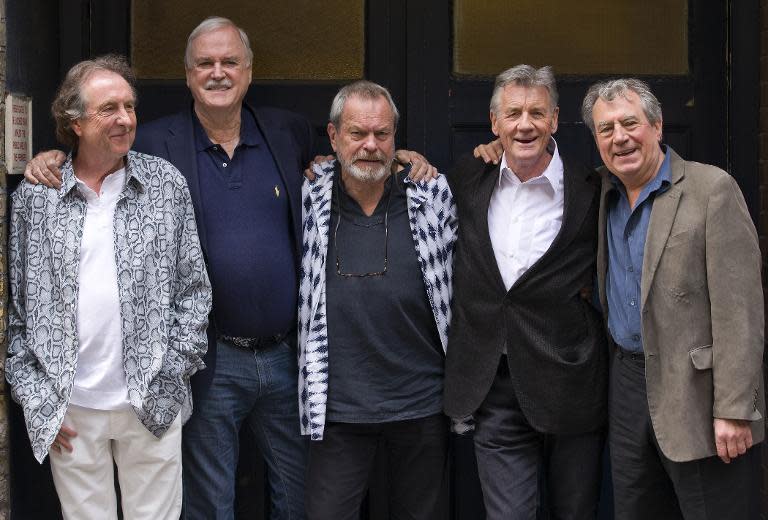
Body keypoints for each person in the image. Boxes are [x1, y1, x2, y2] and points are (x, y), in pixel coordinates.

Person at [24, 16, 435, 519]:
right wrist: (52, 157)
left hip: (288, 357)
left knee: (299, 493)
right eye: (205, 63)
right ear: (188, 74)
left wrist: (404, 159)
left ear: (248, 71)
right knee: (208, 501)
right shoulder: (151, 143)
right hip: (212, 360)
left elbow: (360, 149)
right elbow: (95, 153)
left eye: (229, 62)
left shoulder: (286, 132)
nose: (218, 73)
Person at [5, 54, 211, 520]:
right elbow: (19, 313)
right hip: (71, 405)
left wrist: (169, 378)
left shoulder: (164, 185)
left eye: (130, 107)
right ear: (74, 122)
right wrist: (39, 401)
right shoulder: (38, 199)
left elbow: (194, 292)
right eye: (109, 109)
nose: (125, 119)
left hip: (150, 400)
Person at [581, 78, 765, 519]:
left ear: (658, 126)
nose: (620, 138)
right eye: (605, 130)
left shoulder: (711, 190)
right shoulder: (600, 192)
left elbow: (740, 310)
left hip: (698, 394)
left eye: (630, 123)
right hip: (626, 384)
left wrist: (735, 408)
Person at [444, 64, 608, 519]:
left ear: (555, 120)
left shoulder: (592, 189)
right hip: (494, 383)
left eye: (537, 112)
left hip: (571, 383)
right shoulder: (467, 178)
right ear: (495, 124)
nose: (525, 124)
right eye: (512, 113)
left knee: (575, 512)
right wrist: (404, 159)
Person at [298, 80, 456, 519]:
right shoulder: (309, 195)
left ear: (395, 139)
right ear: (333, 137)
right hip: (340, 409)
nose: (370, 145)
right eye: (357, 133)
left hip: (421, 402)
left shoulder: (431, 194)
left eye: (382, 134)